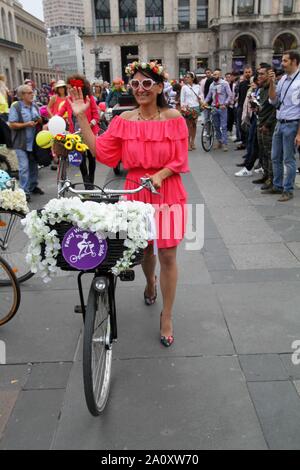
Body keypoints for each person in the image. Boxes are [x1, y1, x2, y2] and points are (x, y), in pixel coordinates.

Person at [67, 60, 189, 348]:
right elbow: (101, 152)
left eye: (147, 83)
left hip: (167, 189)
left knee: (168, 254)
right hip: (136, 190)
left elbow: (181, 159)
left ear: (159, 87)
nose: (140, 89)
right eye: (135, 83)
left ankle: (167, 315)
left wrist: (160, 174)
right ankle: (150, 283)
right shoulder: (124, 120)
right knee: (145, 247)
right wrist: (82, 118)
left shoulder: (174, 117)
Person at [268, 50, 300, 202]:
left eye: (285, 61)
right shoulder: (282, 80)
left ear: (294, 62)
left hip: (292, 124)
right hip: (279, 123)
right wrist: (272, 83)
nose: (282, 63)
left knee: (288, 159)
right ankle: (277, 185)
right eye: (282, 60)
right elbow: (274, 100)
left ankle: (288, 190)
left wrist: (299, 133)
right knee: (275, 157)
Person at [59, 74, 100, 188]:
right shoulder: (69, 100)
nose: (67, 90)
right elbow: (60, 113)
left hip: (90, 133)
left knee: (91, 158)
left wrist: (87, 125)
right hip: (76, 134)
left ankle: (91, 180)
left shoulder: (89, 98)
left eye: (69, 88)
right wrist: (52, 121)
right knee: (80, 159)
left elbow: (96, 117)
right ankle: (86, 181)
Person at [8, 84, 44, 201]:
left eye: (32, 92)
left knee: (34, 166)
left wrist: (39, 120)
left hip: (33, 143)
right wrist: (26, 124)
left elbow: (40, 120)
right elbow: (12, 124)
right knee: (24, 167)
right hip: (21, 143)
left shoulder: (34, 106)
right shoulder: (16, 107)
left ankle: (33, 186)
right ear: (22, 95)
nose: (32, 94)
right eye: (29, 93)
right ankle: (24, 192)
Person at [204, 68, 233, 152]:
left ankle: (225, 143)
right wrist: (204, 103)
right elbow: (209, 96)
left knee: (223, 126)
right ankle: (219, 141)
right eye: (214, 74)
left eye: (216, 74)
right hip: (214, 107)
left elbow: (230, 95)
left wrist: (225, 103)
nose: (214, 76)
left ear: (220, 75)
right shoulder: (212, 85)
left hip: (222, 107)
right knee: (216, 126)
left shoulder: (225, 83)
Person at [180, 71, 201, 151]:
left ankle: (193, 142)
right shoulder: (184, 87)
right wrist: (183, 108)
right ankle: (188, 143)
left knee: (194, 125)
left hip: (196, 107)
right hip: (187, 108)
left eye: (188, 77)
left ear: (193, 78)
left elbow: (201, 95)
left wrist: (200, 98)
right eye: (186, 77)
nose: (186, 78)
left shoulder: (197, 86)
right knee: (188, 126)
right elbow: (182, 99)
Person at [235, 66, 253, 149]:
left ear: (252, 72)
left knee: (248, 126)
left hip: (250, 108)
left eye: (249, 72)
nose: (247, 74)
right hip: (240, 106)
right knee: (240, 125)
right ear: (244, 73)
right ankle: (243, 142)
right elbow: (239, 95)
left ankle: (248, 143)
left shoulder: (254, 83)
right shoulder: (241, 83)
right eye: (246, 72)